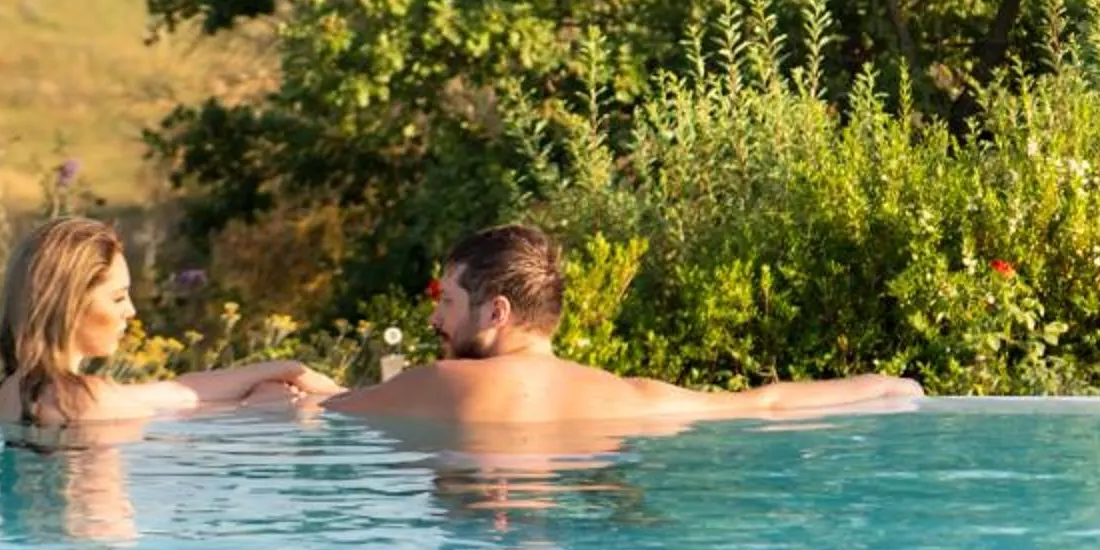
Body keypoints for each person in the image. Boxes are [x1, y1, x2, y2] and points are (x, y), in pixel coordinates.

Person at [326, 222, 920, 428]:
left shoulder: (440, 384)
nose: (435, 317)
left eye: (448, 302)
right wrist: (889, 385)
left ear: (497, 312)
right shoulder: (629, 396)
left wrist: (286, 375)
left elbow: (318, 412)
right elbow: (764, 406)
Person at [0, 217, 343, 427]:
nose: (131, 311)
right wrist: (260, 408)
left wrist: (284, 369)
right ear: (68, 305)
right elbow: (183, 425)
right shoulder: (83, 400)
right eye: (117, 297)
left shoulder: (9, 395)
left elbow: (178, 392)